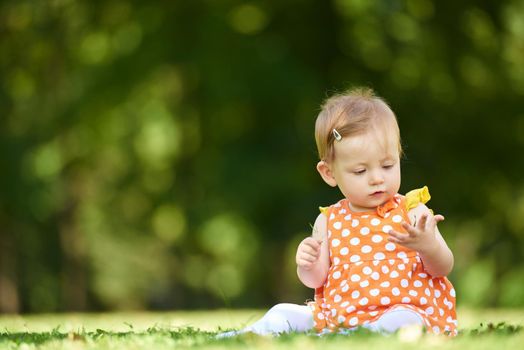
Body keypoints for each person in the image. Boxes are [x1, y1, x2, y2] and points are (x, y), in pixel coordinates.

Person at [219, 87, 457, 337]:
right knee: (282, 312)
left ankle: (361, 333)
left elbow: (443, 267)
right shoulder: (329, 219)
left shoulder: (411, 210)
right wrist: (307, 263)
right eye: (360, 171)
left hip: (404, 308)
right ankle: (248, 334)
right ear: (329, 173)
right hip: (339, 313)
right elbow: (316, 280)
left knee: (404, 320)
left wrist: (428, 246)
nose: (377, 178)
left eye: (387, 165)